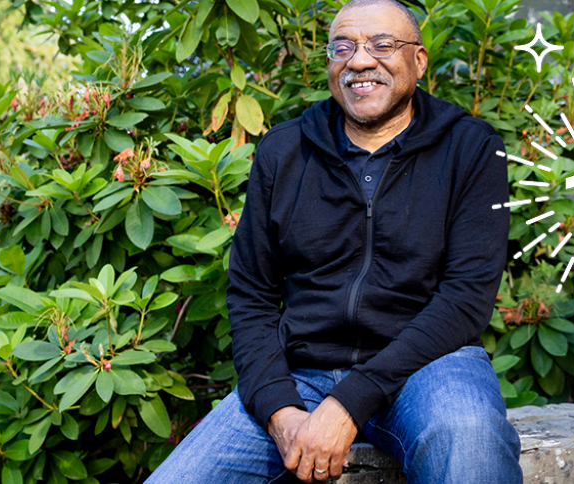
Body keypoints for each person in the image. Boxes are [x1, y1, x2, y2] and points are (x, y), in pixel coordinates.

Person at [144, 0, 522, 482]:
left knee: (469, 438)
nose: (360, 61)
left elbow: (466, 299)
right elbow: (251, 295)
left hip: (429, 367)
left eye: (382, 45)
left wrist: (347, 404)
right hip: (302, 371)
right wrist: (280, 412)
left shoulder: (470, 147)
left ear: (419, 61)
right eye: (343, 47)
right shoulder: (284, 150)